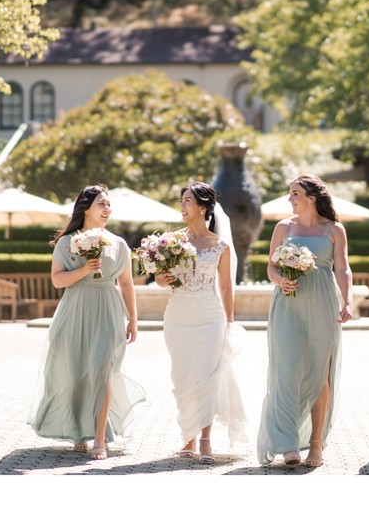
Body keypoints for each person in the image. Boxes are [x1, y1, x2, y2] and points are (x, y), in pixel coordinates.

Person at [26, 184, 146, 460]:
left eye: (109, 204)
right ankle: (79, 431)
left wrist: (133, 319)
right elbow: (57, 280)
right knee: (75, 373)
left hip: (107, 310)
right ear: (86, 208)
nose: (107, 209)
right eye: (102, 204)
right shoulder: (67, 242)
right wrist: (83, 270)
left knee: (101, 372)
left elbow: (126, 284)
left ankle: (100, 437)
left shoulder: (119, 243)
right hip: (74, 311)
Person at [257, 175, 353, 468]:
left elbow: (343, 269)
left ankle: (315, 445)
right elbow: (271, 268)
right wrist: (280, 281)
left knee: (319, 374)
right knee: (286, 370)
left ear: (311, 198)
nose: (290, 199)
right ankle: (287, 443)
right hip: (288, 302)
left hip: (323, 302)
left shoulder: (335, 229)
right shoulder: (283, 227)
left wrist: (347, 301)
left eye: (295, 194)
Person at [156, 183, 247, 464]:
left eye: (187, 201)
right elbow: (158, 278)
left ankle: (205, 439)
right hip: (178, 316)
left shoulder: (220, 245)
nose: (182, 206)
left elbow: (225, 286)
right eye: (181, 201)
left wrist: (230, 320)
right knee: (182, 377)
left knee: (207, 376)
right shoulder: (170, 242)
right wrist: (163, 279)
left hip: (210, 317)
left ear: (203, 207)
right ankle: (188, 436)